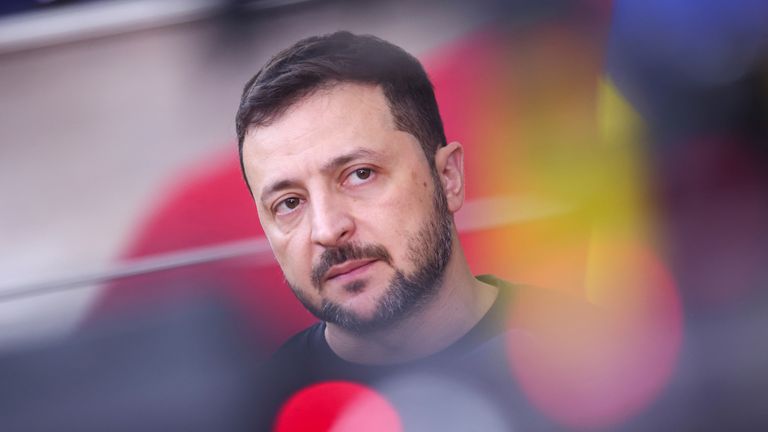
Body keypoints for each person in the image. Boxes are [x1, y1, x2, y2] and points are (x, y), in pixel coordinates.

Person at [235, 31, 549, 431]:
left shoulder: (594, 372)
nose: (328, 229)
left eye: (360, 174)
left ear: (448, 178)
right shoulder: (252, 416)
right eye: (290, 203)